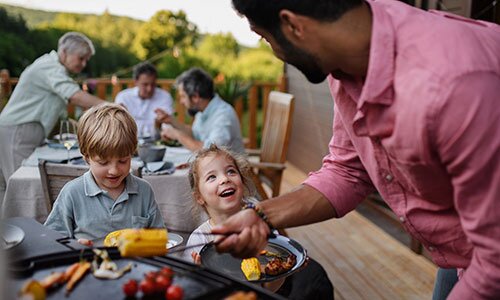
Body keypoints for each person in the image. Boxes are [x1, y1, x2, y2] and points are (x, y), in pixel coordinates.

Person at [212, 1, 500, 299]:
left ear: (294, 26)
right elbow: (347, 170)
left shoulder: (457, 86)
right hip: (462, 251)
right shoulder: (347, 62)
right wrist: (260, 215)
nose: (273, 51)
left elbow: (495, 258)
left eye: (265, 38)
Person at [184, 144, 333, 299]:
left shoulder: (260, 224)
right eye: (212, 177)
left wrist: (282, 271)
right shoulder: (200, 238)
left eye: (231, 171)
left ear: (242, 182)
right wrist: (199, 275)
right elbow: (193, 288)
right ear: (199, 197)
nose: (224, 179)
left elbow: (269, 287)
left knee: (315, 276)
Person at [0, 31, 105, 202]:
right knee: (21, 189)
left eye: (86, 60)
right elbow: (74, 96)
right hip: (18, 131)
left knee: (8, 188)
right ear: (64, 52)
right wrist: (110, 107)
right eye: (81, 58)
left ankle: (10, 227)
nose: (84, 64)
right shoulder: (49, 67)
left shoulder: (54, 68)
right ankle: (20, 228)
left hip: (19, 130)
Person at [44, 103, 164, 246]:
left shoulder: (144, 191)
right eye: (103, 162)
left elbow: (160, 239)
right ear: (87, 157)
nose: (114, 170)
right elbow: (51, 241)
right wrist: (73, 246)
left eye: (123, 161)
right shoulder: (72, 193)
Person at [155, 68, 245, 153]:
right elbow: (194, 134)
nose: (181, 102)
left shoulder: (224, 115)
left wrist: (177, 135)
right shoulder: (203, 111)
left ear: (195, 97)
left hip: (228, 168)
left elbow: (210, 151)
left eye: (183, 96)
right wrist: (171, 121)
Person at [115, 62, 174, 139]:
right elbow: (117, 126)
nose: (149, 89)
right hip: (128, 142)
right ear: (136, 82)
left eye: (153, 84)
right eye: (145, 84)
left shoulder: (165, 97)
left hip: (157, 142)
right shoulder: (124, 97)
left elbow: (167, 127)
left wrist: (160, 123)